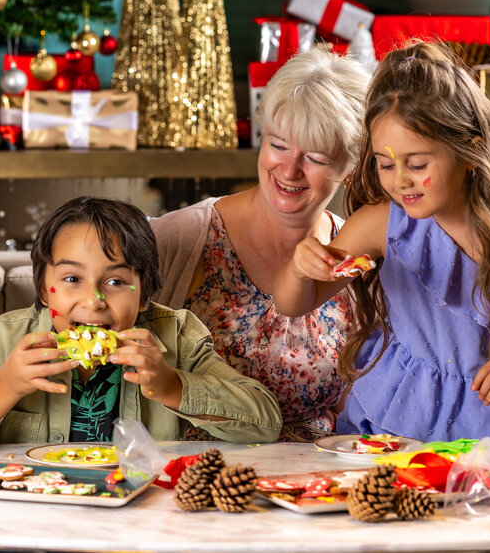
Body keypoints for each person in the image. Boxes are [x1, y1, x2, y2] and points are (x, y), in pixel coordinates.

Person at [273, 41, 490, 444]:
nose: (400, 180)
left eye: (417, 164)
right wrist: (299, 269)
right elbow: (293, 303)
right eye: (385, 163)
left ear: (471, 151)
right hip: (397, 419)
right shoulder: (379, 225)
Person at [150, 46, 369, 441]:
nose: (289, 170)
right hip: (187, 476)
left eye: (316, 158)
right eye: (279, 144)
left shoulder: (356, 254)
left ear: (349, 170)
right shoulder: (179, 240)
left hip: (315, 483)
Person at [0, 196, 282, 444]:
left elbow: (266, 421)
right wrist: (7, 384)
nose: (93, 300)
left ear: (145, 294)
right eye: (72, 279)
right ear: (44, 290)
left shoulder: (177, 336)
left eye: (116, 282)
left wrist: (171, 385)